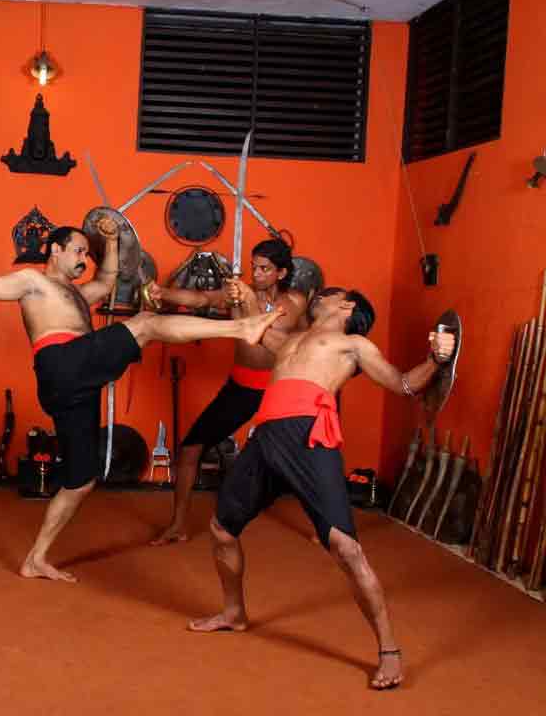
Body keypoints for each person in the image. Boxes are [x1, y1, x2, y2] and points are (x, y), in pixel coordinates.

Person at [0, 217, 282, 582]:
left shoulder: (78, 294)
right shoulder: (33, 282)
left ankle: (36, 559)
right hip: (62, 364)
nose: (84, 259)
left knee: (81, 480)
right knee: (145, 324)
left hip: (76, 383)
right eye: (78, 251)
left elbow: (109, 277)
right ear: (55, 251)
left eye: (85, 253)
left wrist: (111, 239)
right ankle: (241, 327)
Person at [188, 283, 455, 690]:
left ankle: (389, 650)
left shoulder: (353, 345)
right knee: (221, 530)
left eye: (330, 294)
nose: (319, 296)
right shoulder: (291, 339)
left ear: (347, 306)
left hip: (309, 437)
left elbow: (403, 383)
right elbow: (250, 331)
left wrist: (436, 360)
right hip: (266, 437)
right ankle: (234, 613)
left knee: (346, 548)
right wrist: (242, 300)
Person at [149, 239, 307, 545]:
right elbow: (199, 298)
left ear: (281, 272)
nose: (257, 274)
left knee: (304, 458)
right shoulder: (238, 295)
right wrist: (163, 292)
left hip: (279, 389)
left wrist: (244, 300)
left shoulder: (295, 302)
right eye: (254, 267)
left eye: (265, 269)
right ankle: (178, 524)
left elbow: (283, 336)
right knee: (191, 448)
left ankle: (325, 528)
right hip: (242, 387)